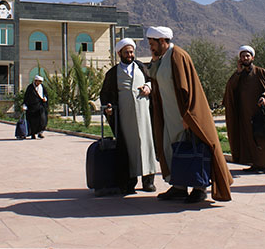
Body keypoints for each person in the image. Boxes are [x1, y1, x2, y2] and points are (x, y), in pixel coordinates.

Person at [147, 26, 232, 203]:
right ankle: (179, 187)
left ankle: (199, 188)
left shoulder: (178, 56)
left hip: (184, 116)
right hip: (169, 116)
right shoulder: (163, 58)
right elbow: (155, 78)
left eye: (153, 44)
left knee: (193, 148)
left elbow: (186, 89)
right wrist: (155, 60)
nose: (151, 48)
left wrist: (187, 116)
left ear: (163, 41)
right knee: (175, 150)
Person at [99, 38, 157, 194]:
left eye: (132, 52)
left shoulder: (141, 67)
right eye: (127, 52)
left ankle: (148, 181)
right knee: (128, 147)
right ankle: (130, 181)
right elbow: (105, 94)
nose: (130, 55)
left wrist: (148, 87)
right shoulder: (113, 73)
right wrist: (109, 108)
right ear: (120, 53)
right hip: (125, 116)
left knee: (146, 145)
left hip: (144, 114)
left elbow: (153, 82)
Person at [223, 45, 265, 173]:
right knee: (249, 139)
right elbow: (230, 89)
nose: (245, 58)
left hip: (260, 114)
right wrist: (238, 72)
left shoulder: (261, 72)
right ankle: (255, 164)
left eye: (247, 55)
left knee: (261, 138)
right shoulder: (239, 75)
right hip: (245, 114)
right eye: (243, 56)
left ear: (252, 57)